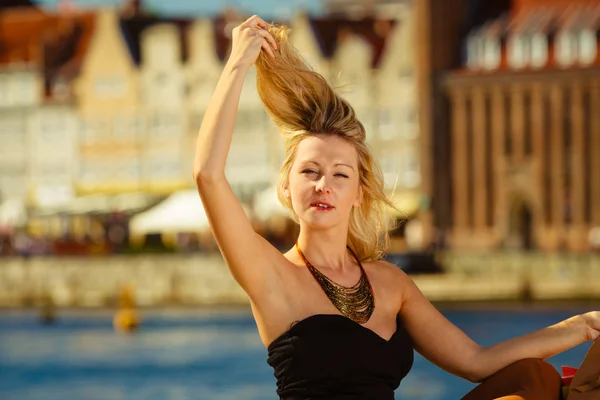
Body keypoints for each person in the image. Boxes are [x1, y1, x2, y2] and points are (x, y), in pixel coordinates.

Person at [193, 15, 600, 400]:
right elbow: (208, 176)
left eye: (340, 175)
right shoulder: (271, 275)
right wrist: (237, 65)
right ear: (286, 185)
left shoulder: (391, 284)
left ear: (360, 192)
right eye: (310, 171)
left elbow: (477, 362)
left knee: (536, 378)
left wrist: (582, 326)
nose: (323, 185)